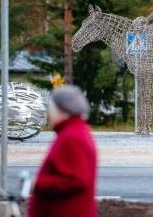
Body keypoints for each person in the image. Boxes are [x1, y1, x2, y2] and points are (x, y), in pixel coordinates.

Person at [28, 85, 97, 217]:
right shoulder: (73, 132)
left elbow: (76, 180)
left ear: (62, 110)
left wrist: (38, 183)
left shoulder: (72, 137)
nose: (48, 112)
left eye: (51, 107)